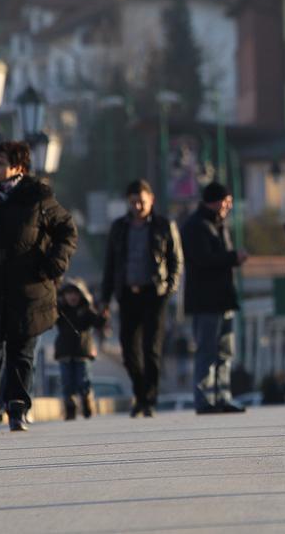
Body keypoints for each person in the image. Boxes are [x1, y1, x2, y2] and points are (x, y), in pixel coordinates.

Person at [0, 140, 77, 433]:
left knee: (22, 350)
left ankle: (17, 407)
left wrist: (51, 265)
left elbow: (67, 231)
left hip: (29, 289)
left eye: (1, 163)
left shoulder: (37, 198)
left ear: (18, 167)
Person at [99, 178, 183, 418]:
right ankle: (140, 391)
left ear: (151, 200)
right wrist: (104, 300)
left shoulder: (164, 225)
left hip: (154, 294)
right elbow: (110, 265)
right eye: (133, 202)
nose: (137, 206)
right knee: (128, 348)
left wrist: (169, 289)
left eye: (142, 202)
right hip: (127, 294)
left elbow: (176, 261)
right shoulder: (119, 227)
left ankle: (149, 399)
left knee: (151, 348)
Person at [181, 181, 248, 414]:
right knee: (207, 351)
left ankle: (222, 396)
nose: (229, 206)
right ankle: (205, 399)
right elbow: (204, 260)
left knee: (224, 352)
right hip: (206, 301)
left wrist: (231, 258)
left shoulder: (219, 224)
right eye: (227, 201)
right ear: (216, 201)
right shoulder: (196, 226)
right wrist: (233, 258)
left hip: (223, 299)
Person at [55, 278, 104, 420]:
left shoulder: (86, 310)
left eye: (75, 293)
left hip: (82, 351)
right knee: (66, 381)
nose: (72, 297)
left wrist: (103, 316)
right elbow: (50, 320)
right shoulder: (60, 310)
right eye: (69, 293)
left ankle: (87, 401)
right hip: (64, 352)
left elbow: (98, 323)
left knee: (83, 380)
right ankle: (70, 407)